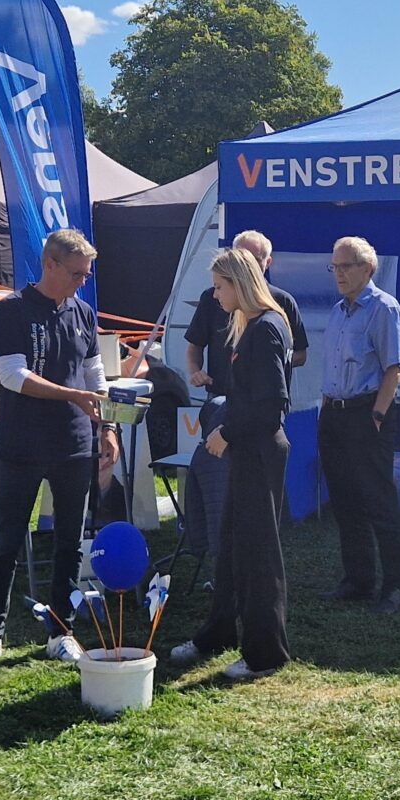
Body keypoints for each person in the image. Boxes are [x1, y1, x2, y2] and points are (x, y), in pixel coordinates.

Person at [0, 229, 119, 670]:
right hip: (21, 444)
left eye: (86, 275)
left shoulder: (83, 312)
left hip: (74, 443)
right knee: (7, 541)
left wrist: (107, 426)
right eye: (76, 274)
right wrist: (72, 396)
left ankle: (61, 632)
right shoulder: (11, 310)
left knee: (70, 542)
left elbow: (95, 376)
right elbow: (13, 376)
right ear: (49, 265)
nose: (81, 282)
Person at [170, 248, 293, 680]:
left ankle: (265, 654)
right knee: (231, 550)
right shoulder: (252, 325)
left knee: (258, 555)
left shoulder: (266, 328)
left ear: (239, 284)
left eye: (220, 287)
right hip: (248, 449)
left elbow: (273, 406)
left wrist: (227, 432)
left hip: (258, 450)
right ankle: (218, 632)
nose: (215, 295)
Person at [318, 236, 400, 614]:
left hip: (366, 413)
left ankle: (395, 587)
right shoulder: (338, 310)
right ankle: (358, 580)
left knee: (378, 501)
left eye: (345, 266)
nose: (338, 273)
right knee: (344, 500)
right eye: (334, 266)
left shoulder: (384, 308)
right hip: (334, 414)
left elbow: (393, 368)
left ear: (367, 268)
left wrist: (377, 415)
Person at [185, 230, 307, 398]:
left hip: (257, 399)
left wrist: (266, 362)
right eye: (240, 258)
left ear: (268, 262)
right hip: (220, 393)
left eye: (254, 259)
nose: (246, 265)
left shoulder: (280, 304)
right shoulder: (212, 298)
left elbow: (300, 354)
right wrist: (195, 372)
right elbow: (194, 345)